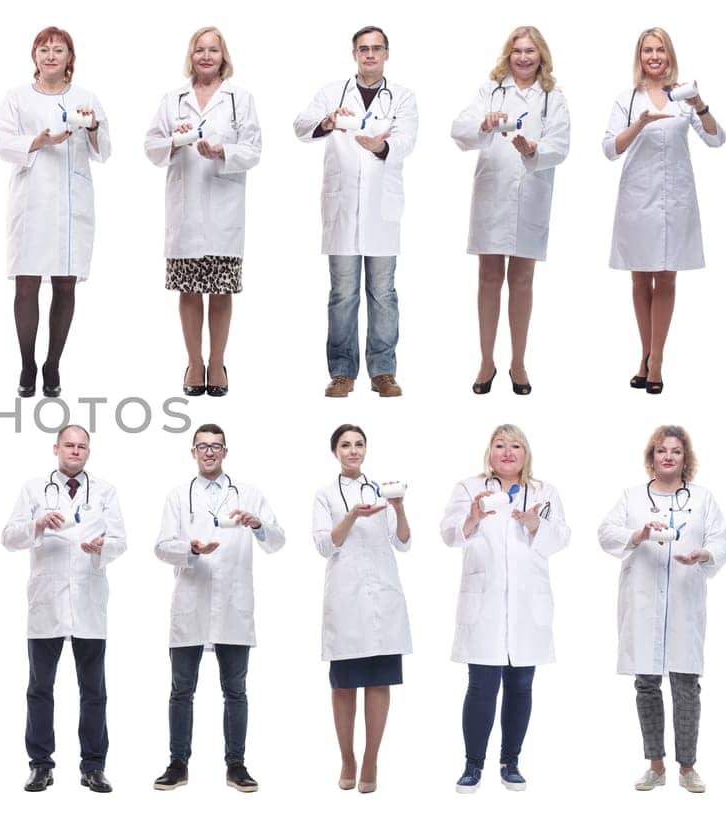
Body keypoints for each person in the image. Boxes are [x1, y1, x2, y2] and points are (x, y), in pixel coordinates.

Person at [152, 423, 284, 792]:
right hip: (190, 603)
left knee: (236, 690)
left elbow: (277, 540)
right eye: (202, 446)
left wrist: (258, 525)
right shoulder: (179, 496)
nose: (209, 452)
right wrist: (191, 549)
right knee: (181, 690)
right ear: (192, 452)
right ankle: (178, 763)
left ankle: (236, 765)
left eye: (216, 446)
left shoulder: (250, 493)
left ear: (226, 452)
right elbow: (162, 547)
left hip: (233, 606)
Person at [597, 425, 726, 793]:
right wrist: (637, 535)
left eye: (676, 451)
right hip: (642, 603)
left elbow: (720, 540)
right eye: (661, 451)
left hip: (685, 600)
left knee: (686, 684)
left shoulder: (703, 499)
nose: (668, 456)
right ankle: (655, 765)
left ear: (686, 458)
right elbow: (606, 532)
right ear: (651, 457)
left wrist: (705, 554)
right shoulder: (632, 497)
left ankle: (687, 767)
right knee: (646, 684)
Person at [440, 423, 569, 793]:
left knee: (521, 685)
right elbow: (448, 535)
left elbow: (561, 538)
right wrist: (473, 518)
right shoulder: (469, 488)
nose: (508, 452)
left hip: (529, 606)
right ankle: (472, 765)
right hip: (485, 604)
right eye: (500, 445)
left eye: (516, 445)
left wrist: (534, 524)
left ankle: (510, 762)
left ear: (526, 453)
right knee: (481, 686)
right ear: (489, 453)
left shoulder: (544, 492)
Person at [1, 425, 128, 793]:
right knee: (40, 689)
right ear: (56, 448)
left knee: (94, 692)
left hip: (89, 602)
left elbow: (121, 540)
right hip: (47, 605)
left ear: (89, 451)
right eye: (69, 445)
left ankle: (93, 766)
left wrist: (102, 546)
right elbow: (9, 537)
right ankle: (41, 765)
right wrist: (37, 524)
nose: (75, 451)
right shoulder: (33, 489)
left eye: (82, 446)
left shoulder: (105, 491)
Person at [293, 26, 417, 399]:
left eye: (376, 48)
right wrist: (329, 121)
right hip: (343, 208)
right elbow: (300, 126)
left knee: (383, 293)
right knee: (343, 293)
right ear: (354, 54)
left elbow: (407, 139)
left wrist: (382, 145)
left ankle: (382, 372)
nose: (370, 55)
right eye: (363, 49)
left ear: (387, 54)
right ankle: (342, 372)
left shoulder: (403, 97)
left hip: (382, 210)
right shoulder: (333, 92)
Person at [603, 27, 725, 394]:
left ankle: (656, 361)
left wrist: (700, 104)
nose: (654, 56)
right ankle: (645, 354)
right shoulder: (627, 100)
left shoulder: (683, 99)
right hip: (638, 201)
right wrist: (639, 124)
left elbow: (717, 139)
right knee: (640, 278)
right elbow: (610, 149)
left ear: (670, 55)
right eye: (647, 51)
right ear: (639, 58)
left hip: (675, 201)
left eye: (660, 50)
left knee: (667, 278)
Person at [449, 26, 570, 396]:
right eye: (517, 51)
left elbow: (561, 145)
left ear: (541, 56)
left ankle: (518, 362)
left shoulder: (553, 96)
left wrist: (533, 149)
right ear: (508, 54)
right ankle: (487, 361)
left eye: (530, 51)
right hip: (492, 192)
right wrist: (483, 124)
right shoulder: (491, 90)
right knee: (488, 277)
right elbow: (459, 130)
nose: (523, 57)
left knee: (521, 280)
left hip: (531, 193)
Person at [0, 27, 110, 398]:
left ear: (70, 58)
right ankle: (27, 363)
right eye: (44, 50)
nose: (51, 56)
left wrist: (92, 126)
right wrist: (36, 141)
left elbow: (104, 150)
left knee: (64, 283)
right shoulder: (17, 97)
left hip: (72, 202)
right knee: (26, 284)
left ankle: (52, 364)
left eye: (59, 50)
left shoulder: (86, 97)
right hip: (31, 200)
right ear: (34, 57)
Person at [143, 26, 261, 397]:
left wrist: (222, 152)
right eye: (199, 50)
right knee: (189, 290)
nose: (206, 56)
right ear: (190, 56)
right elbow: (151, 146)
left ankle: (218, 362)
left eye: (213, 50)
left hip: (224, 206)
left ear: (224, 56)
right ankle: (195, 362)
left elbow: (254, 149)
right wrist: (175, 145)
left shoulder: (239, 99)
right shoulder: (173, 98)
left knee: (221, 290)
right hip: (186, 207)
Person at [310, 424, 411, 793]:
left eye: (359, 444)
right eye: (346, 445)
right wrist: (352, 515)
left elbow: (403, 543)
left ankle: (371, 758)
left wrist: (398, 510)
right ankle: (347, 758)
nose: (353, 450)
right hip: (346, 597)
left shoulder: (381, 490)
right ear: (335, 451)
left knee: (379, 679)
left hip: (383, 596)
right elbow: (324, 545)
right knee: (344, 684)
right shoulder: (325, 495)